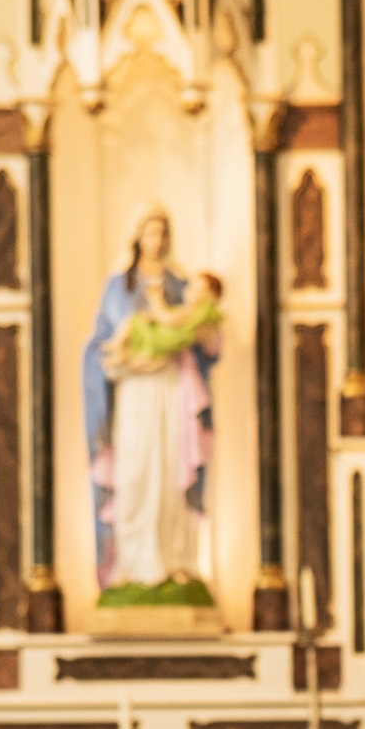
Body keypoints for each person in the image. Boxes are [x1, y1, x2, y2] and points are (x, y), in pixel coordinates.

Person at [82, 207, 221, 592]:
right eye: (149, 232)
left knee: (171, 471)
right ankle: (133, 562)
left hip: (171, 389)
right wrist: (126, 359)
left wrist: (192, 337)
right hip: (134, 392)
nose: (156, 241)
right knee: (136, 472)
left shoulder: (181, 285)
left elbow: (201, 335)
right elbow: (99, 345)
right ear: (137, 236)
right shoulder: (119, 286)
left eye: (162, 233)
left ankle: (175, 558)